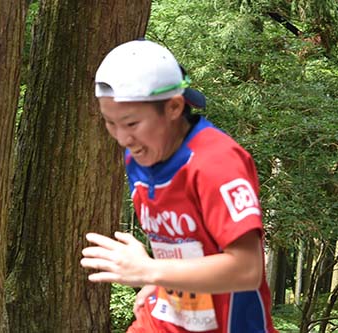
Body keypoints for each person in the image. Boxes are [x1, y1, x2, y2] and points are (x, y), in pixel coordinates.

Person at [80, 39, 277, 332]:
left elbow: (247, 269)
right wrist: (156, 281)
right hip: (163, 321)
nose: (122, 138)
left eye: (132, 124)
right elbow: (183, 248)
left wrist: (149, 270)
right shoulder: (139, 158)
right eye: (110, 123)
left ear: (173, 106)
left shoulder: (216, 163)